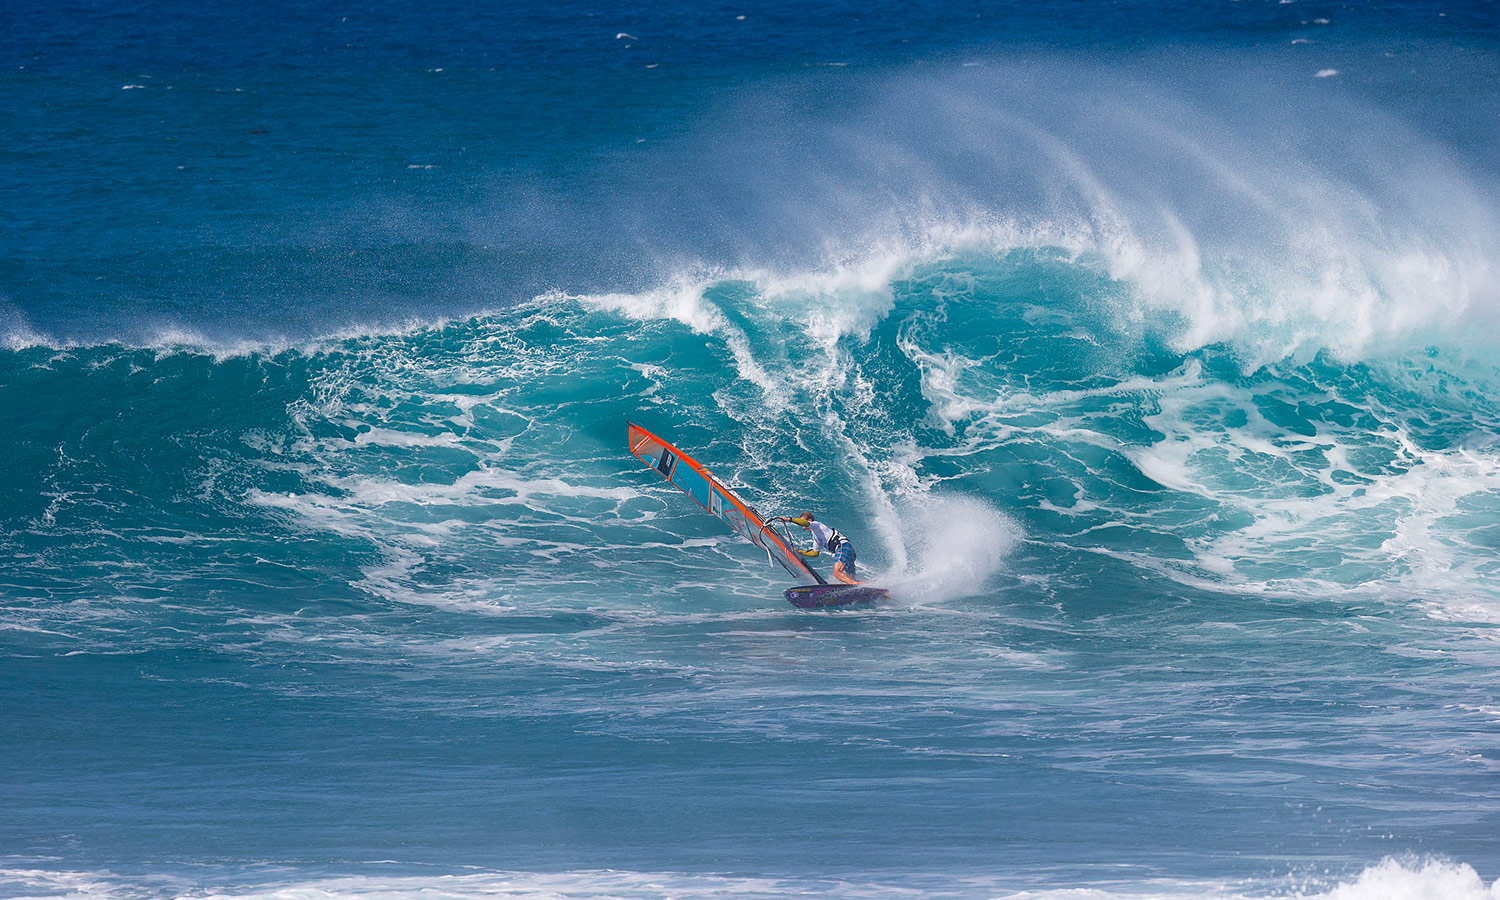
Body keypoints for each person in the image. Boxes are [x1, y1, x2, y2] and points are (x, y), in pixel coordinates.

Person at [789, 511, 863, 585]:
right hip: (847, 549)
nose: (803, 527)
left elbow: (805, 523)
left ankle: (856, 584)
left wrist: (788, 519)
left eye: (802, 521)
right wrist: (799, 552)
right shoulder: (816, 536)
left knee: (837, 573)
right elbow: (814, 553)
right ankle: (869, 585)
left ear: (810, 520)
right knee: (850, 579)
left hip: (842, 547)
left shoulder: (817, 525)